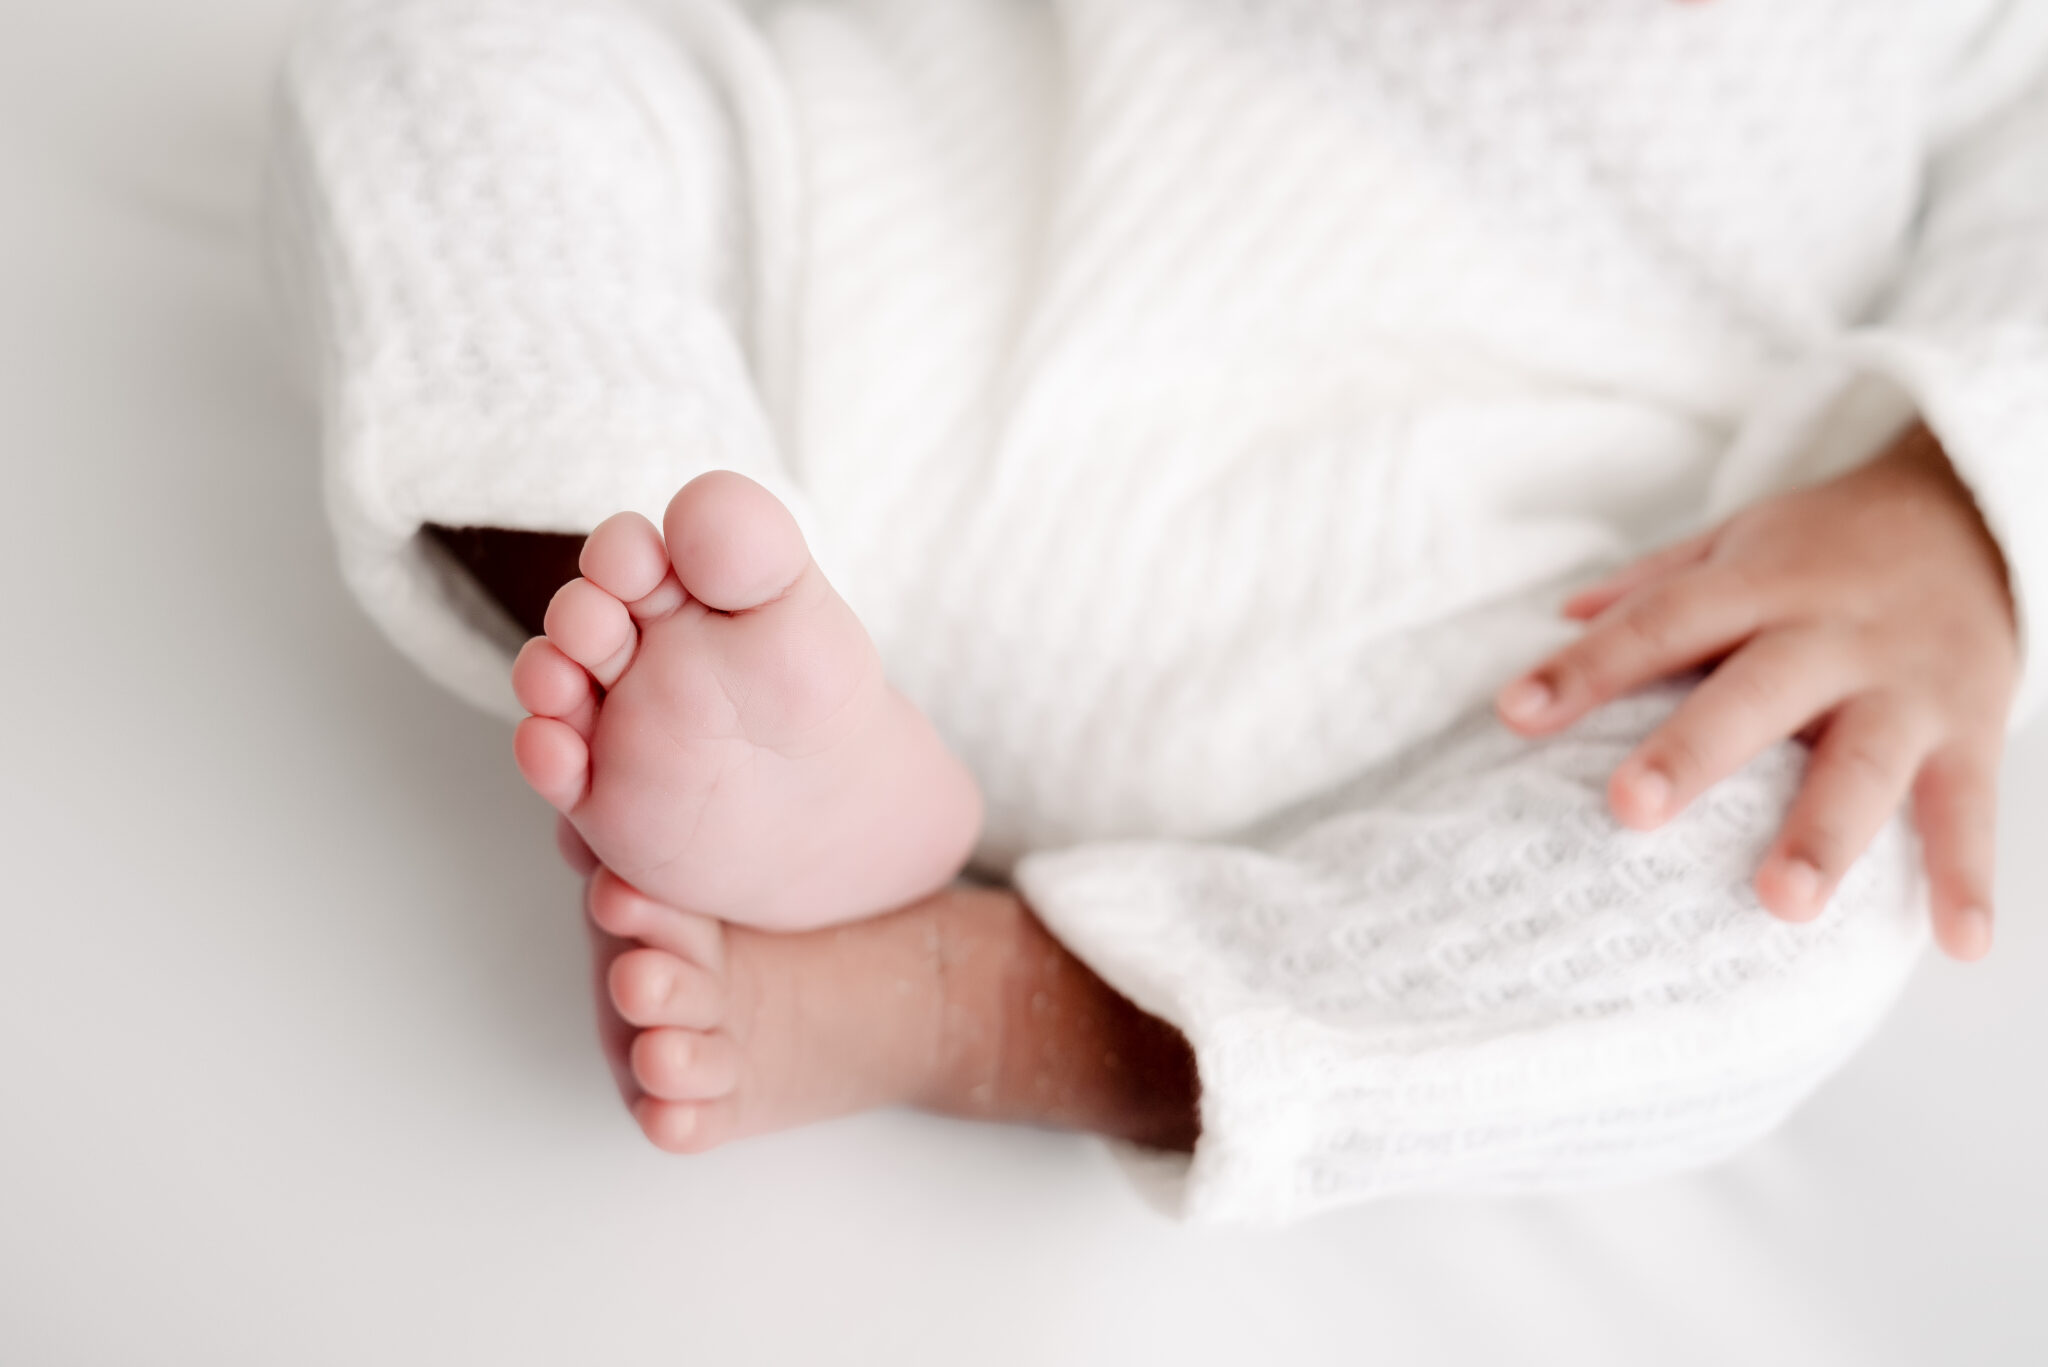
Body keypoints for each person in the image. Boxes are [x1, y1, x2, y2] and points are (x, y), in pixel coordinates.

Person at [272, 0, 2044, 1223]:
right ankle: (674, 604)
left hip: (1477, 594)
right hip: (877, 277)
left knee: (1808, 851)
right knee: (438, 45)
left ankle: (985, 999)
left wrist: (1951, 509)